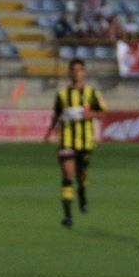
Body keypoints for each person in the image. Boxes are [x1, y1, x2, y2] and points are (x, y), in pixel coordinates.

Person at [42, 58, 106, 228]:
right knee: (67, 175)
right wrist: (49, 133)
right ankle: (68, 216)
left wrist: (90, 115)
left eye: (80, 70)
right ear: (69, 73)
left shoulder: (92, 93)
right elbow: (56, 115)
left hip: (85, 142)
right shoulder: (62, 95)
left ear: (84, 72)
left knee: (81, 175)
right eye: (73, 70)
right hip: (66, 141)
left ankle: (82, 193)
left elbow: (102, 113)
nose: (77, 73)